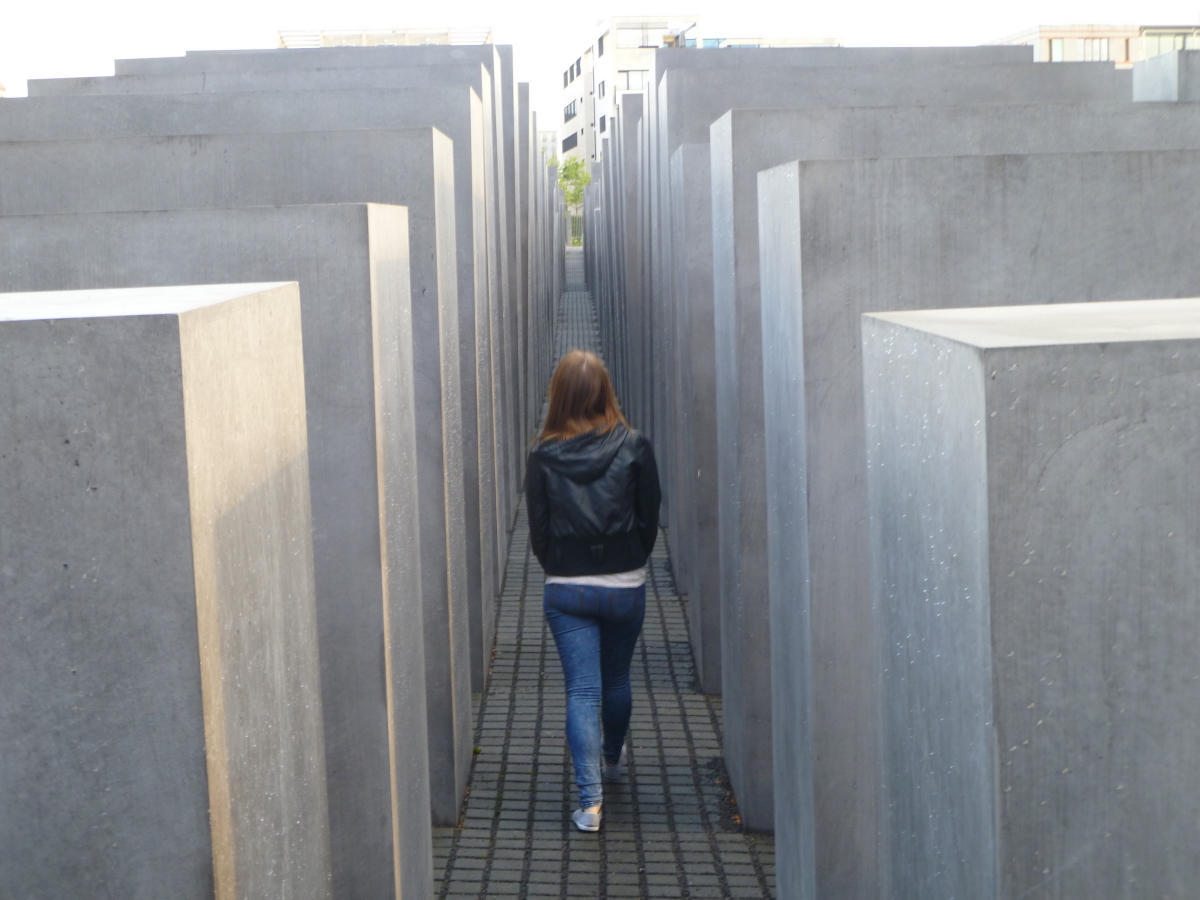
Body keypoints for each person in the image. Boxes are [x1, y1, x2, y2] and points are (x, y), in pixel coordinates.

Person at [525, 349, 661, 833]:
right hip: (625, 583)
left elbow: (538, 530)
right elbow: (650, 517)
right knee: (617, 681)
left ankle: (590, 805)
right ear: (606, 390)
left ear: (557, 395)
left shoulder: (541, 454)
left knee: (582, 691)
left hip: (567, 586)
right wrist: (631, 558)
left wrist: (560, 566)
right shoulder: (635, 445)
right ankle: (611, 756)